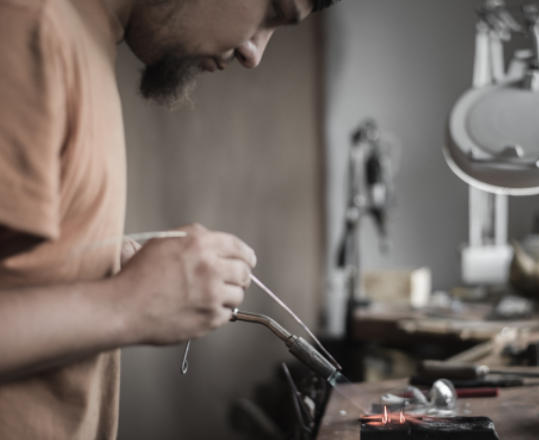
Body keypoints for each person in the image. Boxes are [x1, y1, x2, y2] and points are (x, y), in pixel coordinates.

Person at [0, 0, 336, 437]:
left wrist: (100, 271)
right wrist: (126, 304)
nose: (254, 52)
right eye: (272, 9)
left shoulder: (85, 40)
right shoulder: (27, 26)